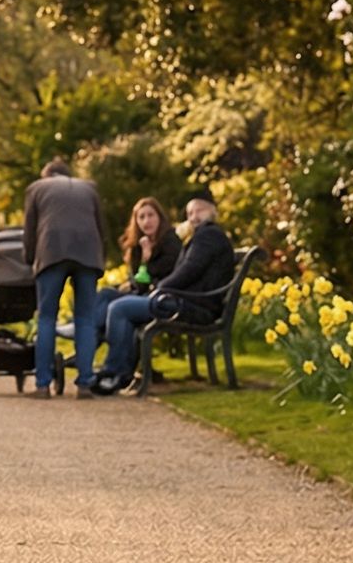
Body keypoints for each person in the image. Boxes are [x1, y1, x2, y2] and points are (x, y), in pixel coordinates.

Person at [89, 196, 238, 396]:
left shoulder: (209, 236)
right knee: (116, 302)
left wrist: (160, 289)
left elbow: (188, 271)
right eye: (190, 213)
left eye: (199, 211)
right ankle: (117, 372)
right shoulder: (203, 236)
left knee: (120, 308)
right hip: (186, 301)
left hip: (195, 307)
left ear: (213, 212)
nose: (194, 216)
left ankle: (114, 373)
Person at [20, 158, 106, 397]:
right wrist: (101, 258)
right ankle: (85, 382)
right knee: (85, 319)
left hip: (51, 251)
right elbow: (101, 227)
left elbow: (30, 229)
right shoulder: (89, 187)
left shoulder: (37, 188)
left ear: (46, 175)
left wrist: (29, 260)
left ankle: (43, 384)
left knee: (47, 317)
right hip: (88, 254)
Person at [117, 197, 183, 297]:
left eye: (151, 215)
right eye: (141, 217)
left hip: (163, 295)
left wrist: (146, 260)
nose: (146, 221)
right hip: (140, 294)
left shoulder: (171, 240)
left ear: (159, 217)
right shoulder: (136, 246)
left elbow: (149, 279)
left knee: (118, 306)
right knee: (106, 293)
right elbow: (138, 284)